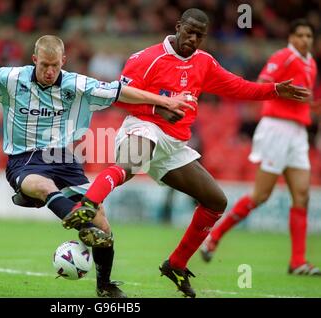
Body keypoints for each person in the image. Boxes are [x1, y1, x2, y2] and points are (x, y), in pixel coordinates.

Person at [0, 35, 194, 297]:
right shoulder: (11, 79)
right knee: (41, 185)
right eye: (44, 65)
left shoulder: (78, 84)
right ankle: (73, 217)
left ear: (63, 61)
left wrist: (163, 102)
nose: (49, 71)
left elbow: (122, 92)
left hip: (64, 160)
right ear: (34, 60)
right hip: (24, 158)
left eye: (54, 65)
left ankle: (104, 286)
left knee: (102, 223)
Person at [61, 8, 311, 298]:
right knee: (130, 164)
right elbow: (120, 98)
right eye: (189, 32)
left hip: (174, 145)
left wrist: (275, 90)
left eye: (200, 36)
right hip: (143, 127)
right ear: (178, 27)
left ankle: (176, 264)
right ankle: (86, 206)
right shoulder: (146, 59)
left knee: (216, 201)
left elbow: (237, 87)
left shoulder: (204, 62)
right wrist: (157, 109)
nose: (193, 39)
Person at [200, 19, 321, 276]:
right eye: (300, 35)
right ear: (290, 37)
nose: (305, 40)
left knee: (302, 195)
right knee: (261, 195)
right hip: (277, 128)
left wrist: (313, 105)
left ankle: (298, 261)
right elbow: (264, 80)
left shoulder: (311, 62)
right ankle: (214, 236)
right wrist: (282, 93)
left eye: (309, 35)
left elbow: (304, 99)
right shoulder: (283, 57)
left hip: (298, 132)